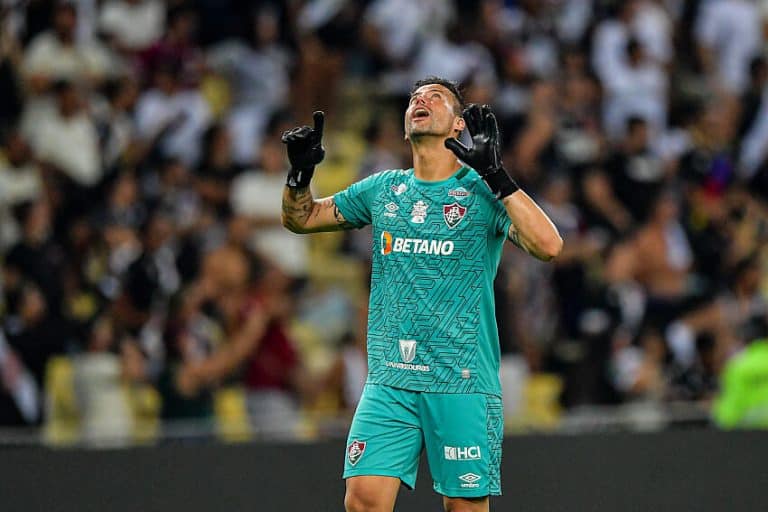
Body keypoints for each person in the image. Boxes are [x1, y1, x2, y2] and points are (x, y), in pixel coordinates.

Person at [281, 76, 562, 512]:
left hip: (461, 380)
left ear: (457, 128)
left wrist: (496, 173)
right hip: (391, 378)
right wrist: (300, 176)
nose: (420, 101)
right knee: (363, 500)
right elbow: (302, 219)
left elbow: (549, 246)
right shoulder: (382, 189)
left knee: (464, 508)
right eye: (414, 98)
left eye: (435, 98)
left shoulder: (483, 192)